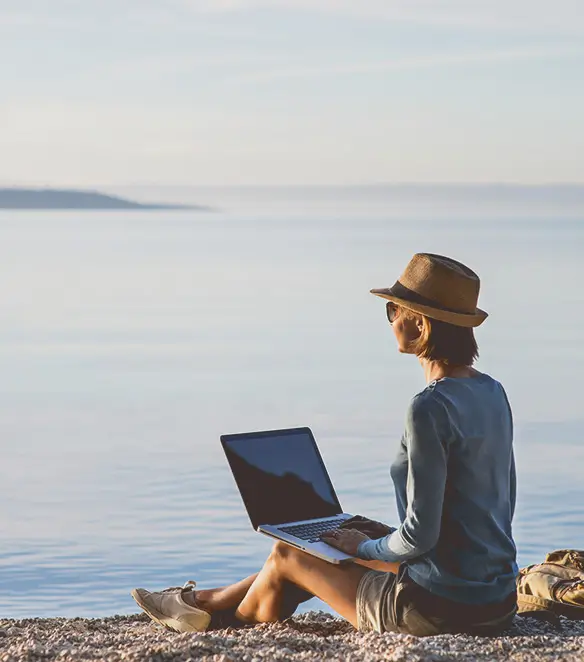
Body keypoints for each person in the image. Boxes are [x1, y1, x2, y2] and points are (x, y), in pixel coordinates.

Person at [131, 253, 518, 636]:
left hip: (438, 609)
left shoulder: (428, 408)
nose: (391, 320)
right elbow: (498, 507)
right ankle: (206, 602)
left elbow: (419, 537)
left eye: (391, 310)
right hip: (496, 600)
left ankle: (216, 621)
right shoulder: (493, 392)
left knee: (287, 554)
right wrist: (363, 539)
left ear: (418, 323)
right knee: (340, 534)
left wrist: (365, 550)